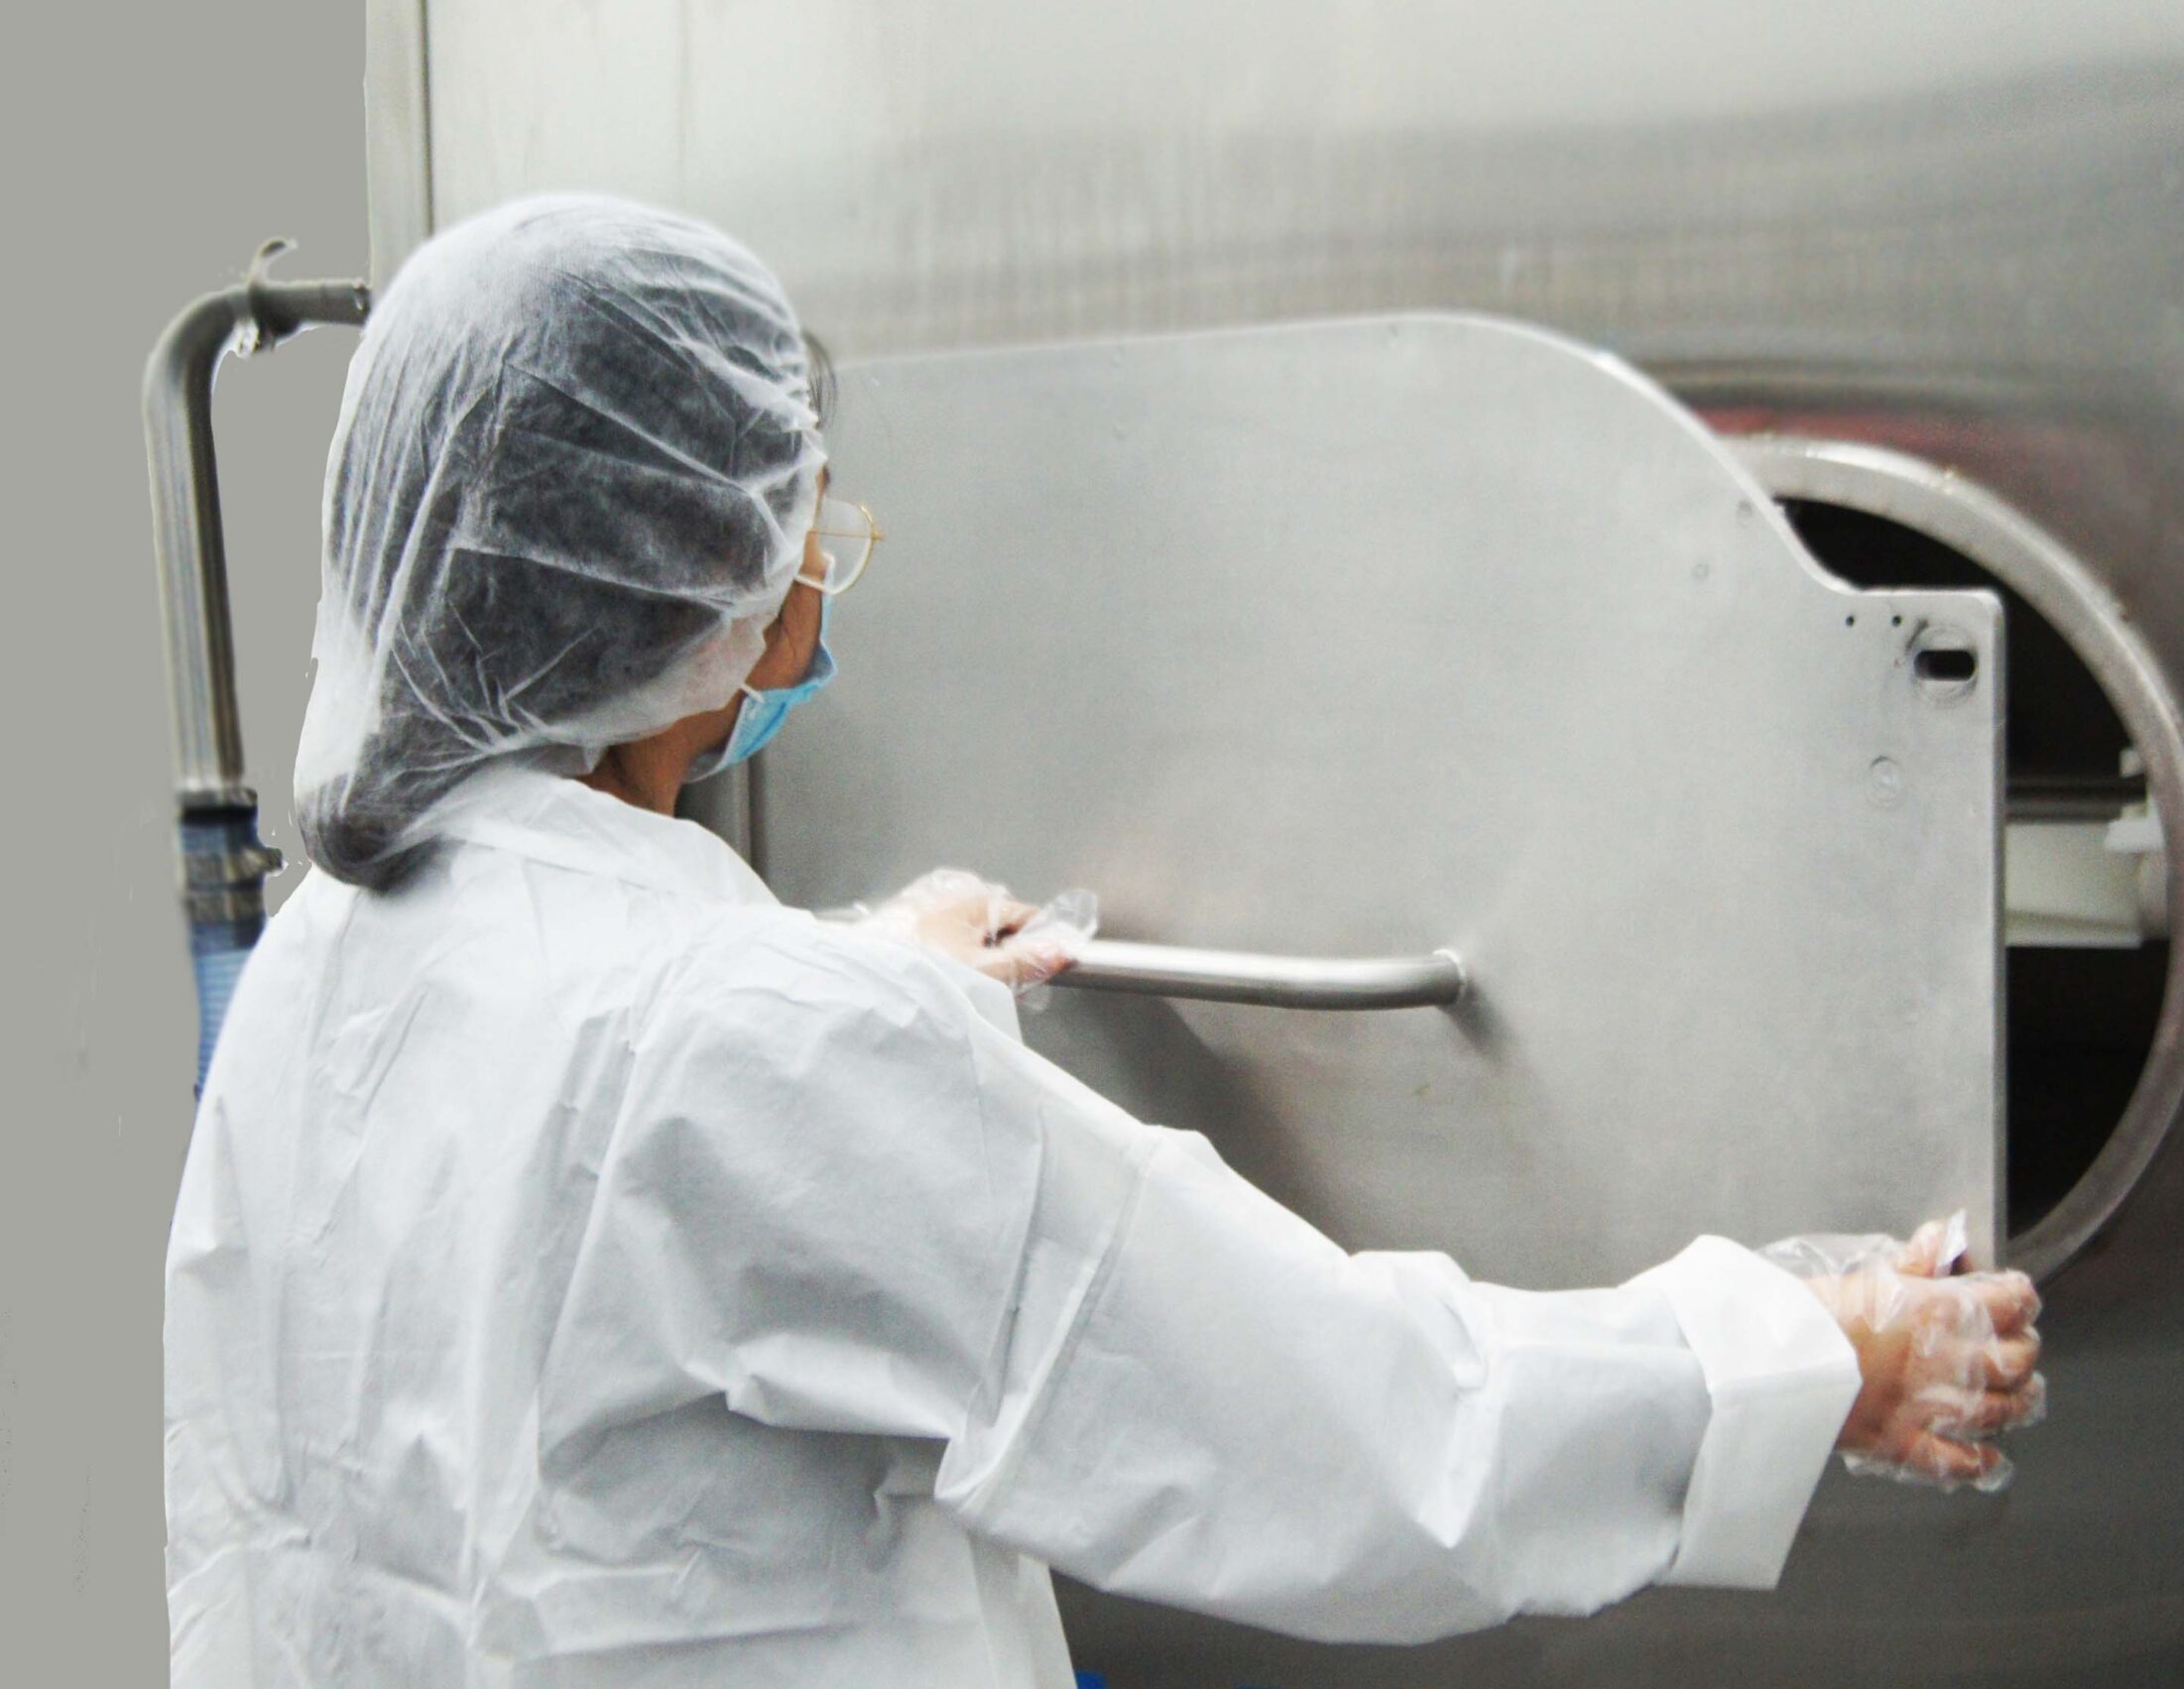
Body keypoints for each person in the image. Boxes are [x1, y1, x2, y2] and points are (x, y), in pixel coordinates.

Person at [163, 194, 2043, 1688]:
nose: (818, 553)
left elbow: (581, 1243)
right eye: (800, 508)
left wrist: (876, 978)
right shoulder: (749, 1050)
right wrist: (1808, 1360)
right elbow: (1343, 1431)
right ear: (683, 572)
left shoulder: (333, 962)